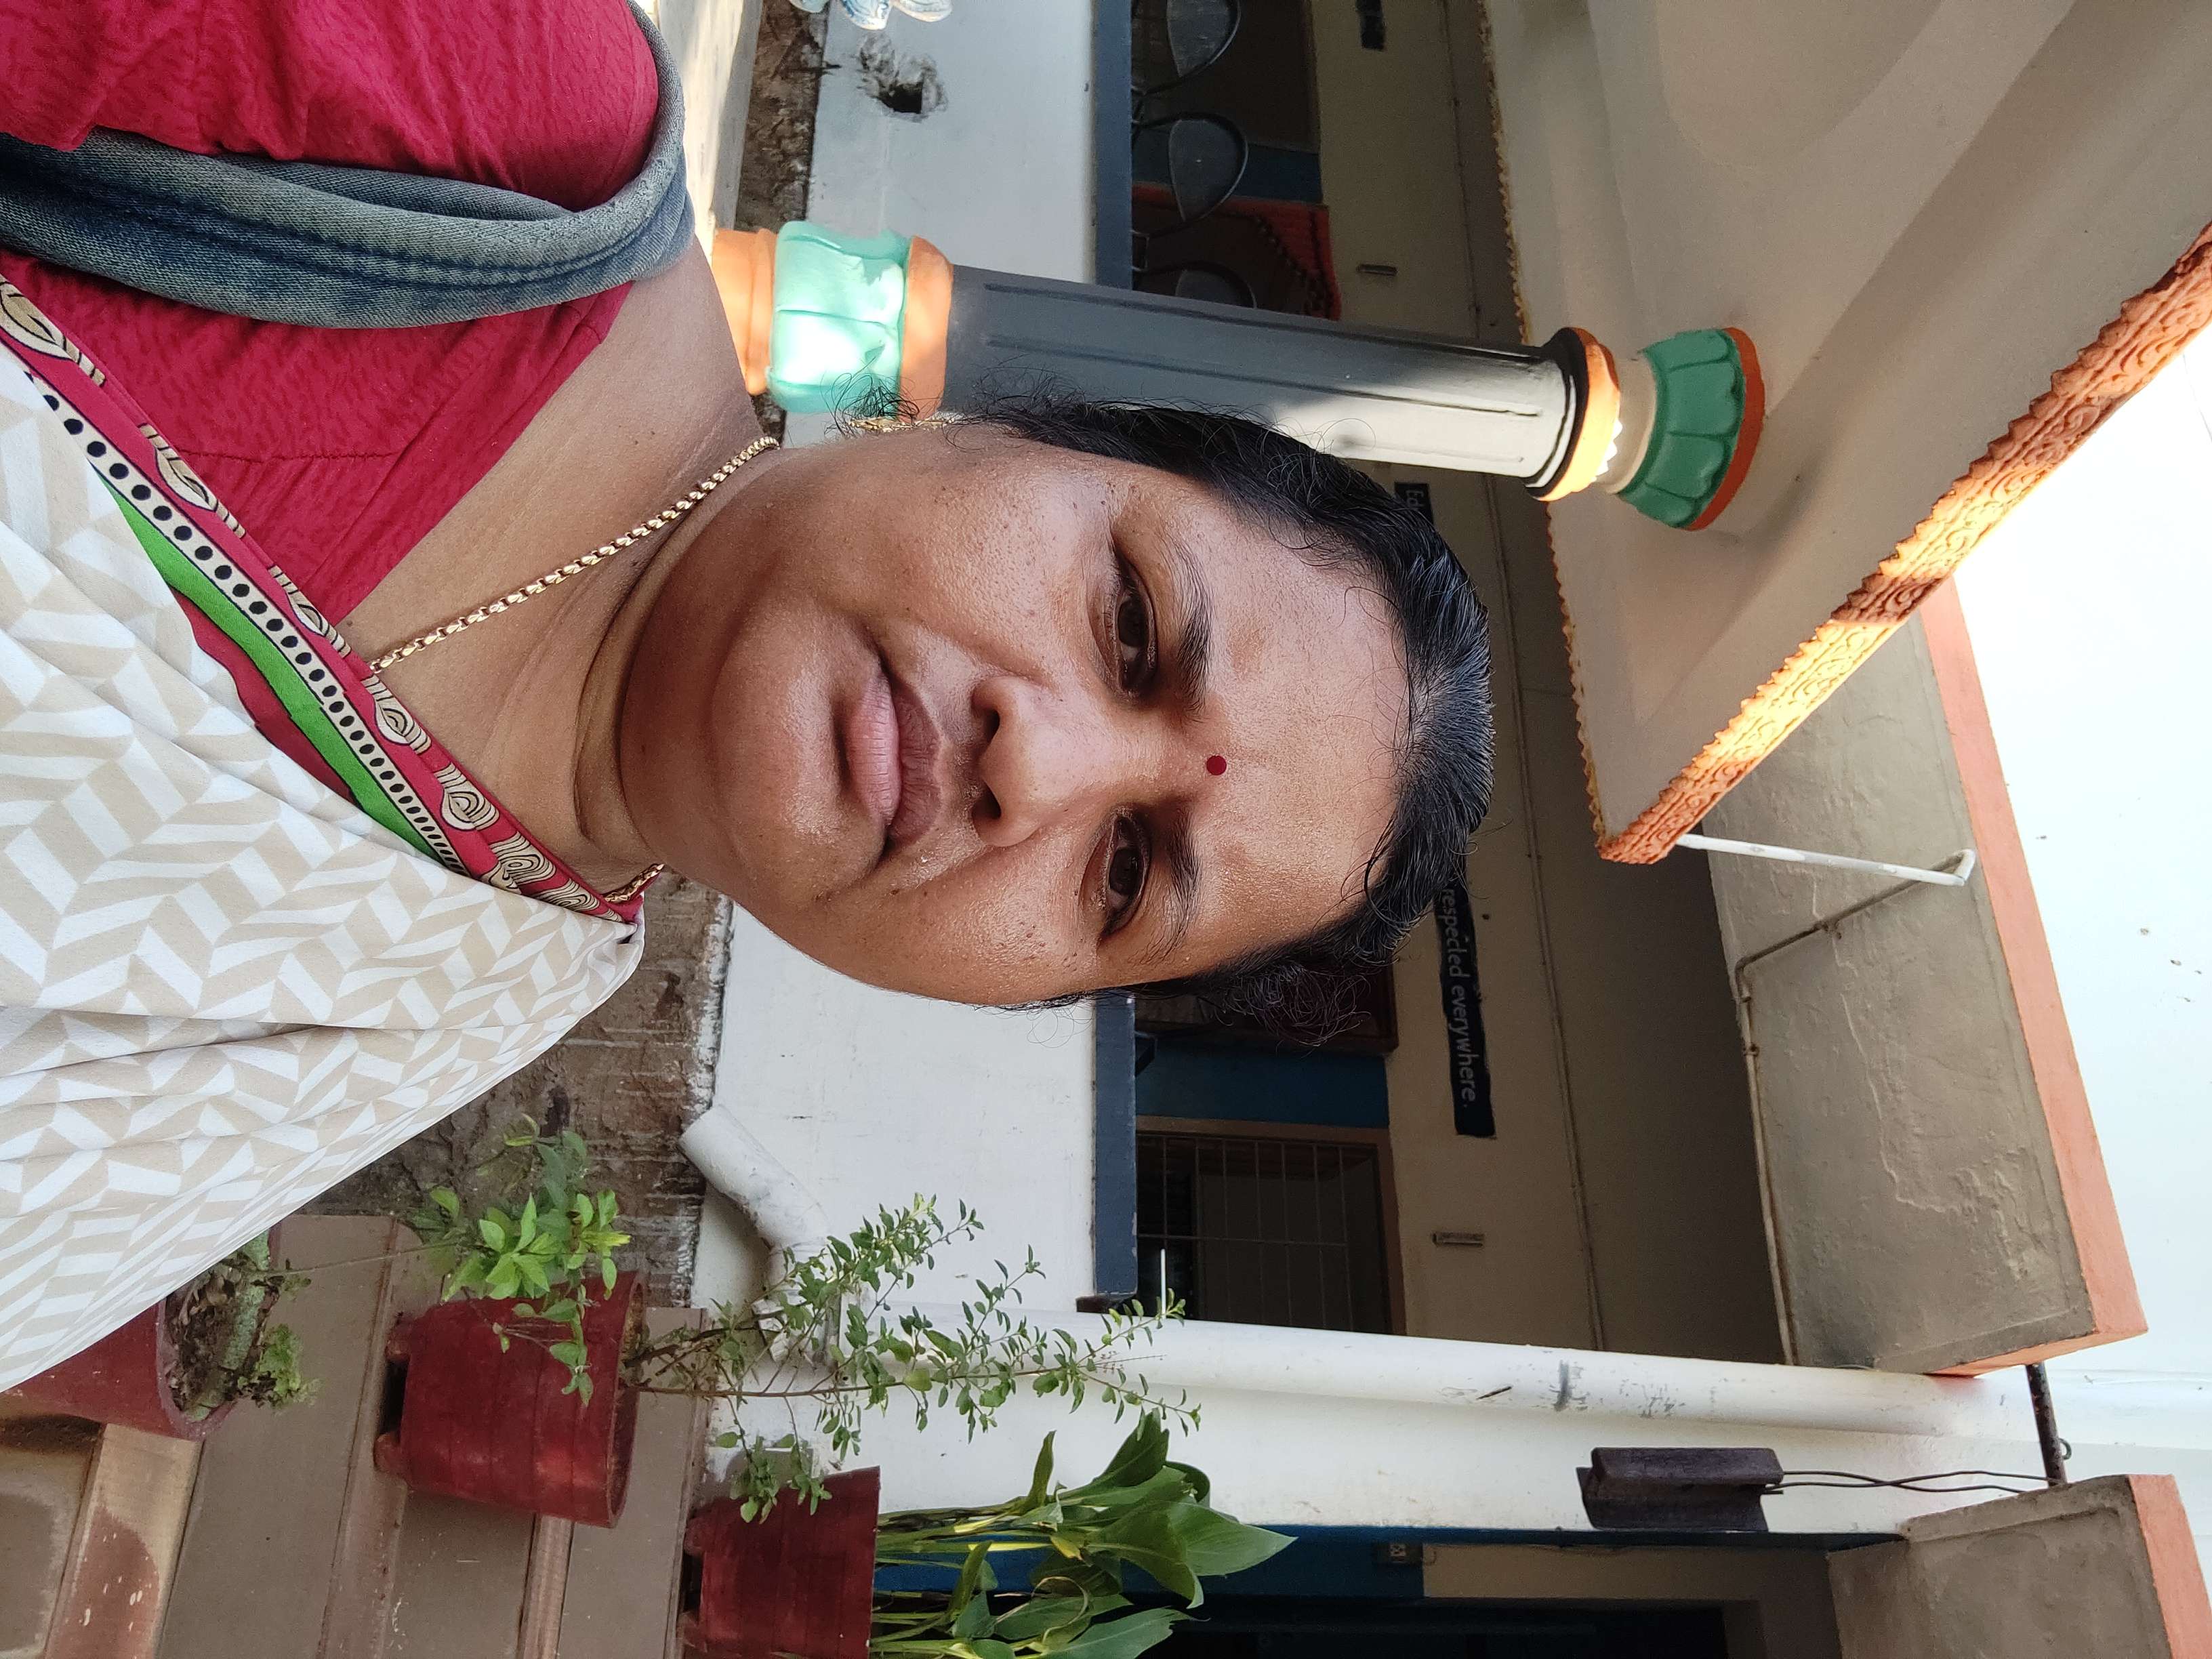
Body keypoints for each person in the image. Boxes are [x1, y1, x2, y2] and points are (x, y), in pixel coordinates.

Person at [0, 0, 1491, 1385]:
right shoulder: (504, 122)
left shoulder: (458, 995)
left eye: (1123, 874)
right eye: (1131, 625)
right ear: (1016, 430)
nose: (1033, 769)